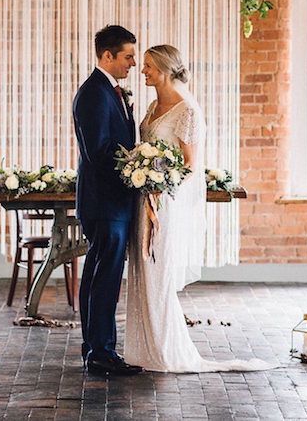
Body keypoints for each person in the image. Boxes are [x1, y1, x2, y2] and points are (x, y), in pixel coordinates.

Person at [125, 44, 273, 372]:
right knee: (143, 270)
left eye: (148, 65)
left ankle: (165, 350)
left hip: (165, 203)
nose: (143, 70)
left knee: (158, 270)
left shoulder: (187, 110)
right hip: (143, 199)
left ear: (164, 69)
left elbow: (189, 165)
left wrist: (159, 183)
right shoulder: (152, 105)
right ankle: (143, 349)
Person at [73, 25, 143, 376]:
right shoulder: (93, 94)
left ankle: (96, 347)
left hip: (113, 203)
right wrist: (136, 167)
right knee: (104, 278)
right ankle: (101, 352)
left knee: (101, 276)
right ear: (108, 56)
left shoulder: (111, 91)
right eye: (128, 56)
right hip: (104, 202)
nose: (133, 63)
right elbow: (98, 151)